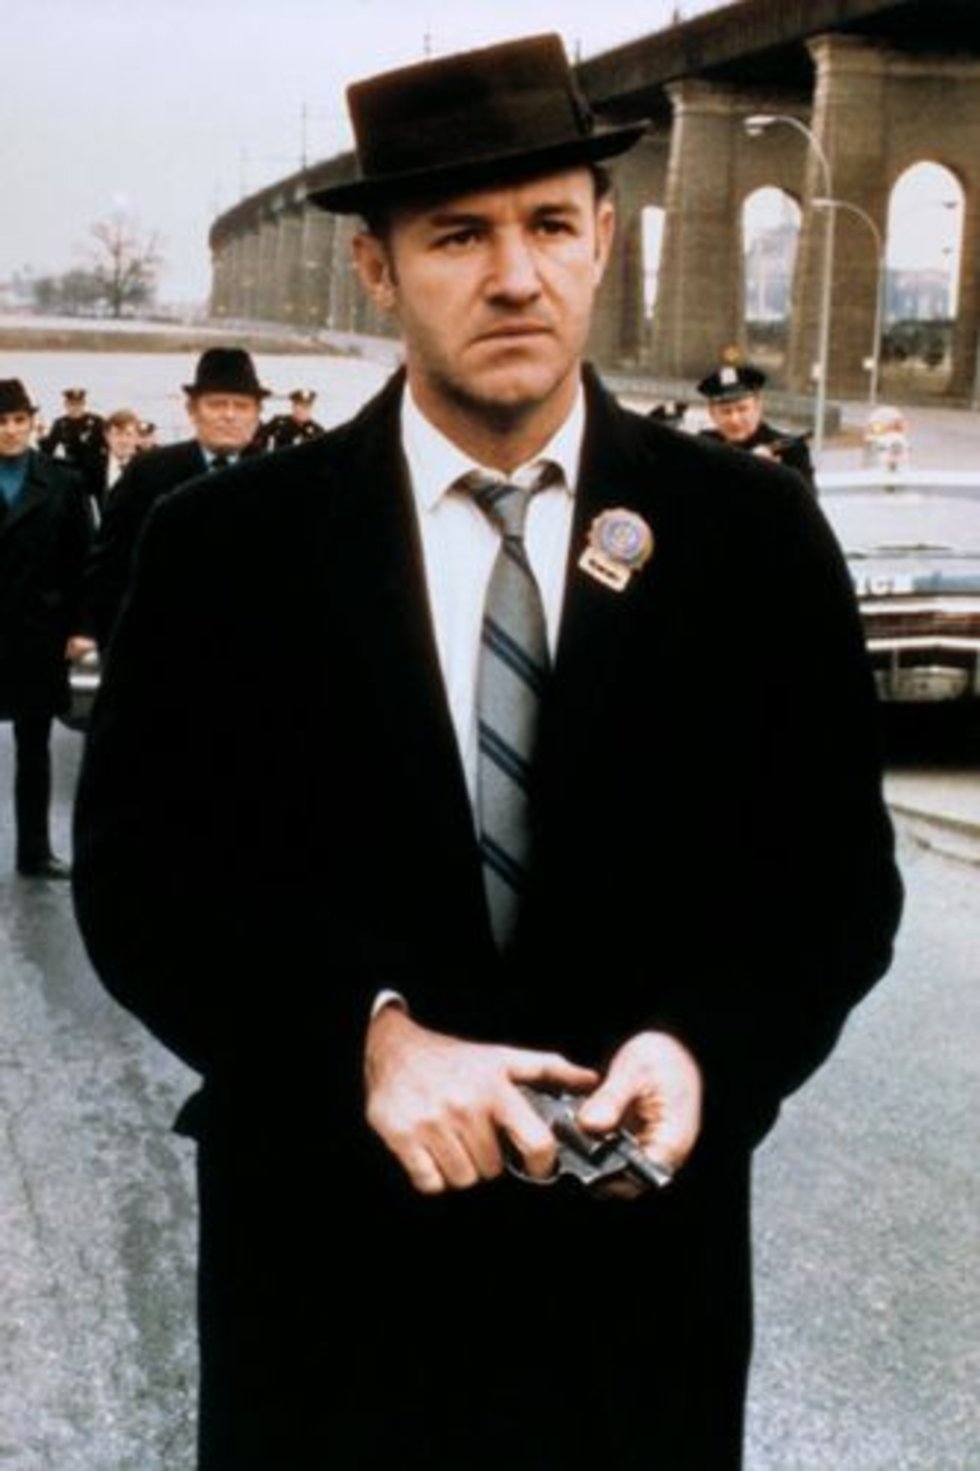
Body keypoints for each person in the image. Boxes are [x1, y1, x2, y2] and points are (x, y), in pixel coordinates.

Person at [72, 34, 902, 1471]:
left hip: (636, 1289)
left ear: (603, 242)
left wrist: (705, 1048)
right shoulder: (227, 549)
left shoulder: (752, 538)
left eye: (550, 226)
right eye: (458, 235)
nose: (515, 275)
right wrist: (367, 1039)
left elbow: (832, 888)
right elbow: (142, 884)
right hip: (324, 1282)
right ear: (377, 270)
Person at [75, 347, 269, 648]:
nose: (229, 415)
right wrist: (116, 645)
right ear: (192, 410)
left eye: (241, 406)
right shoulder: (148, 473)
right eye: (217, 404)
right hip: (162, 649)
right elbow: (109, 567)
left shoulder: (279, 478)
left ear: (257, 415)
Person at [0, 379, 91, 878]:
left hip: (38, 630)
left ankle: (34, 853)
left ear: (33, 422)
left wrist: (82, 627)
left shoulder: (63, 482)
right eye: (1, 422)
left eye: (19, 420)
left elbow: (85, 560)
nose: (11, 430)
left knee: (34, 746)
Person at [697, 360, 816, 485]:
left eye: (742, 409)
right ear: (712, 413)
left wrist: (772, 474)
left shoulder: (790, 452)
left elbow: (805, 497)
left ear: (758, 407)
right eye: (726, 412)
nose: (734, 420)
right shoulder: (702, 449)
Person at [86, 408, 142, 516]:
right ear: (107, 436)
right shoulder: (93, 468)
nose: (123, 440)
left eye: (128, 434)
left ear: (137, 438)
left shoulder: (147, 468)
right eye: (117, 434)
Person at [39, 387, 105, 477]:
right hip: (72, 471)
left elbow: (108, 445)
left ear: (84, 404)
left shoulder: (96, 421)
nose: (75, 408)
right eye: (72, 404)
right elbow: (48, 450)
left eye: (78, 404)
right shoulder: (60, 424)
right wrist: (41, 436)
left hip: (96, 471)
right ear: (65, 405)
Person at [253, 387, 325, 451]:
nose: (303, 411)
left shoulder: (318, 432)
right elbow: (259, 437)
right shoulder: (279, 423)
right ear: (293, 407)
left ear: (311, 408)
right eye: (300, 406)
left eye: (306, 407)